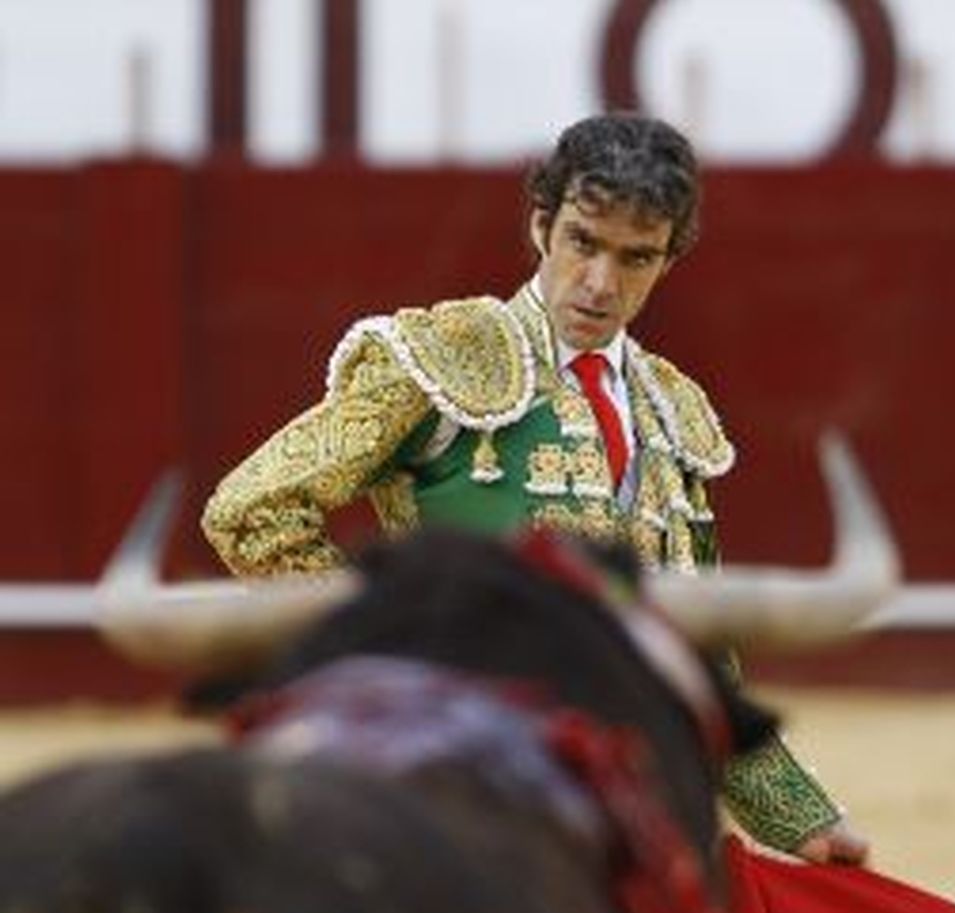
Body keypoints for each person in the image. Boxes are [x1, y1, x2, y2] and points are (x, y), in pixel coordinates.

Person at [201, 111, 866, 866]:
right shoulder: (448, 357)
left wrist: (803, 821)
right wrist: (394, 652)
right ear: (542, 226)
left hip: (627, 813)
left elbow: (700, 659)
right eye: (584, 242)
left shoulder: (672, 409)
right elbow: (252, 509)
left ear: (667, 262)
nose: (601, 284)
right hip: (460, 782)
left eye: (636, 257)